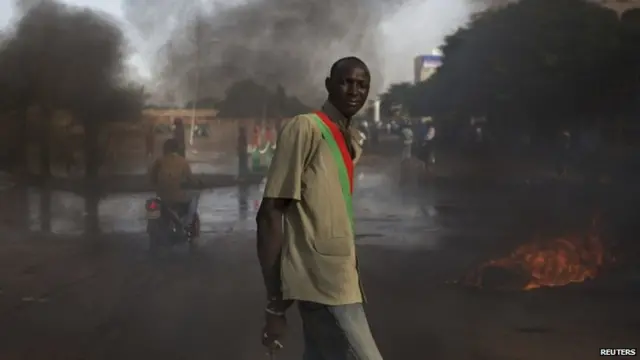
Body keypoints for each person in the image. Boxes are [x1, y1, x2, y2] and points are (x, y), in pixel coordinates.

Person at [256, 56, 384, 360]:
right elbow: (270, 213)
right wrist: (274, 303)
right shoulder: (306, 128)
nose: (354, 91)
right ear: (329, 85)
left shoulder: (349, 138)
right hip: (325, 285)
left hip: (339, 278)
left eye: (362, 85)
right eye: (346, 82)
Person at [149, 138, 200, 227]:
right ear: (176, 149)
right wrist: (198, 183)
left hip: (161, 198)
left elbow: (152, 179)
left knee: (152, 206)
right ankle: (187, 225)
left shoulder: (159, 161)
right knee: (193, 198)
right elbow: (190, 179)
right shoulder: (182, 162)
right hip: (177, 200)